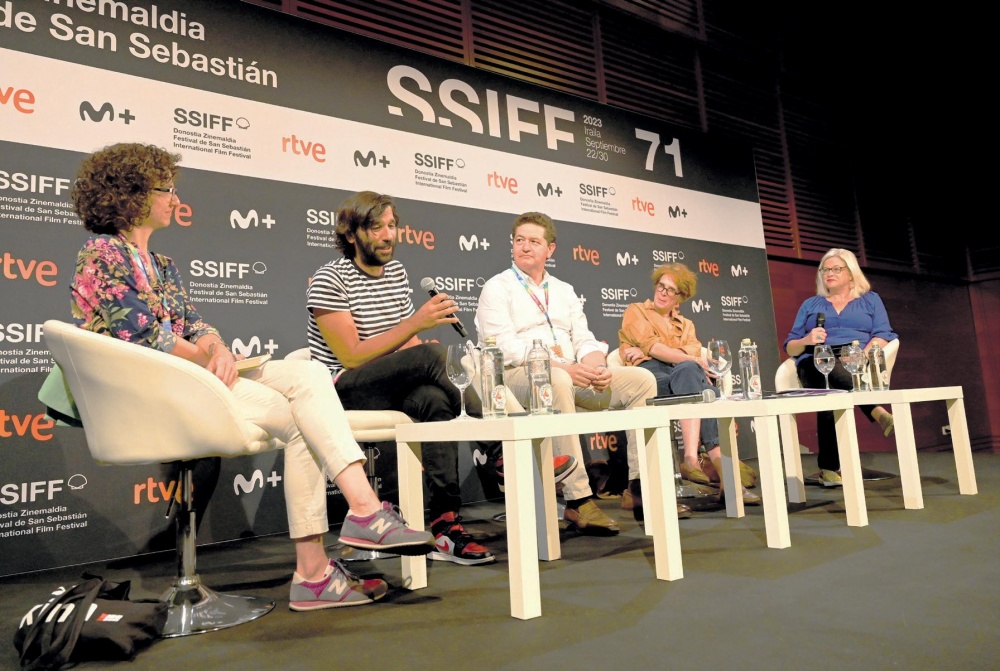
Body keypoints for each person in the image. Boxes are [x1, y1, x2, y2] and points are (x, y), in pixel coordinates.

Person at [68, 143, 434, 612]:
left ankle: (330, 553)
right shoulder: (101, 253)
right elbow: (140, 334)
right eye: (167, 189)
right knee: (300, 413)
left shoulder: (162, 265)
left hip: (193, 376)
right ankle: (348, 535)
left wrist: (217, 349)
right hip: (153, 390)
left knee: (307, 381)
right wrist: (205, 359)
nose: (176, 199)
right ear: (133, 195)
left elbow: (196, 324)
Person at [306, 191, 501, 566]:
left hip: (389, 385)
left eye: (392, 225)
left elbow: (406, 342)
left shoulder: (395, 272)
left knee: (434, 399)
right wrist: (418, 330)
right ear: (351, 234)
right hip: (341, 388)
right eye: (376, 227)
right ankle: (498, 448)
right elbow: (350, 356)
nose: (388, 235)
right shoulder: (329, 279)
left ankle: (445, 526)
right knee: (432, 356)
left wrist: (417, 342)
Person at [475, 211, 657, 535]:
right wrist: (563, 368)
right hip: (519, 377)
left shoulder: (564, 290)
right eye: (519, 240)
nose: (525, 247)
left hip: (572, 372)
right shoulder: (497, 287)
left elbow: (584, 338)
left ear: (550, 249)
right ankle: (578, 499)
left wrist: (598, 367)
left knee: (642, 381)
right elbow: (504, 347)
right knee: (554, 379)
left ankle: (639, 486)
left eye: (534, 241)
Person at [618, 263, 761, 513]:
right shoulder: (637, 310)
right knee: (705, 389)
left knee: (698, 382)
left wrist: (657, 351)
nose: (662, 292)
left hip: (682, 377)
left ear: (680, 297)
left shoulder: (687, 325)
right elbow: (655, 349)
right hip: (649, 380)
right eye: (661, 286)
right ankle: (723, 477)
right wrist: (657, 351)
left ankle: (693, 460)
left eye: (670, 290)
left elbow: (686, 350)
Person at [783, 248, 898, 487]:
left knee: (830, 393)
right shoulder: (810, 304)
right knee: (827, 373)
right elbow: (791, 347)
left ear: (851, 272)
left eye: (836, 269)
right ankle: (876, 411)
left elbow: (883, 334)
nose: (829, 274)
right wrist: (807, 340)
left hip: (855, 357)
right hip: (814, 359)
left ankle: (828, 468)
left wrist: (862, 356)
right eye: (825, 270)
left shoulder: (870, 300)